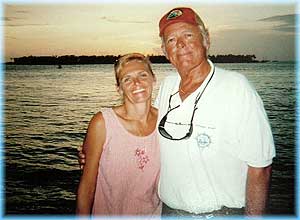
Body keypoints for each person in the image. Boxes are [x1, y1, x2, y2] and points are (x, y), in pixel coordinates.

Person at [78, 7, 276, 217]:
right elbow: (141, 131)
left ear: (206, 39)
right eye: (171, 40)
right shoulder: (167, 88)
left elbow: (261, 166)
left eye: (188, 35)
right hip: (168, 213)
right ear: (165, 52)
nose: (180, 44)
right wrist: (94, 154)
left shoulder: (236, 87)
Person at [76, 53, 162, 216]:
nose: (137, 83)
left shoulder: (166, 123)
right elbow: (87, 187)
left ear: (153, 79)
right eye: (127, 79)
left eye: (142, 75)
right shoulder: (103, 123)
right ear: (119, 88)